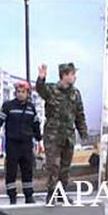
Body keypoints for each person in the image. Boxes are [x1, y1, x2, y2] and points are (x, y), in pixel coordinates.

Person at [35, 62, 88, 204]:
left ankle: (61, 193)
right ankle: (51, 194)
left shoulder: (75, 93)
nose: (75, 77)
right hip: (53, 136)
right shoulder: (52, 89)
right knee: (54, 166)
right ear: (64, 75)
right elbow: (40, 90)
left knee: (65, 168)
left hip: (68, 136)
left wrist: (83, 133)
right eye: (72, 74)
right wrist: (41, 78)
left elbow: (80, 114)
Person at [0, 78, 43, 204]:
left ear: (28, 93)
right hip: (12, 144)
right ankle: (12, 197)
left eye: (23, 91)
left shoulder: (31, 108)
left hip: (26, 144)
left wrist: (39, 140)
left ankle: (29, 196)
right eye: (18, 91)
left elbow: (36, 125)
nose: (20, 93)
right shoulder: (8, 106)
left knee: (27, 171)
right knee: (11, 171)